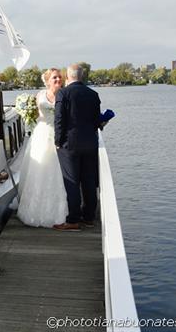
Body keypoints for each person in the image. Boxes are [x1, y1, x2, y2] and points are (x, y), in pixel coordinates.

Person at [17, 68, 68, 228]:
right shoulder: (39, 96)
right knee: (39, 168)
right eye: (55, 77)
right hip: (42, 134)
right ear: (47, 80)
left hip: (60, 135)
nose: (58, 80)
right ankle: (34, 210)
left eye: (60, 77)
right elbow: (35, 115)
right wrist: (26, 113)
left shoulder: (66, 95)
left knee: (59, 171)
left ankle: (61, 210)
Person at [53, 64, 101, 231]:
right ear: (82, 76)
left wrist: (58, 142)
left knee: (72, 182)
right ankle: (88, 217)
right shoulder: (93, 94)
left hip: (69, 145)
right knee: (88, 181)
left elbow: (59, 120)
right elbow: (97, 122)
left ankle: (73, 220)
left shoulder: (63, 93)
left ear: (68, 76)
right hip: (90, 143)